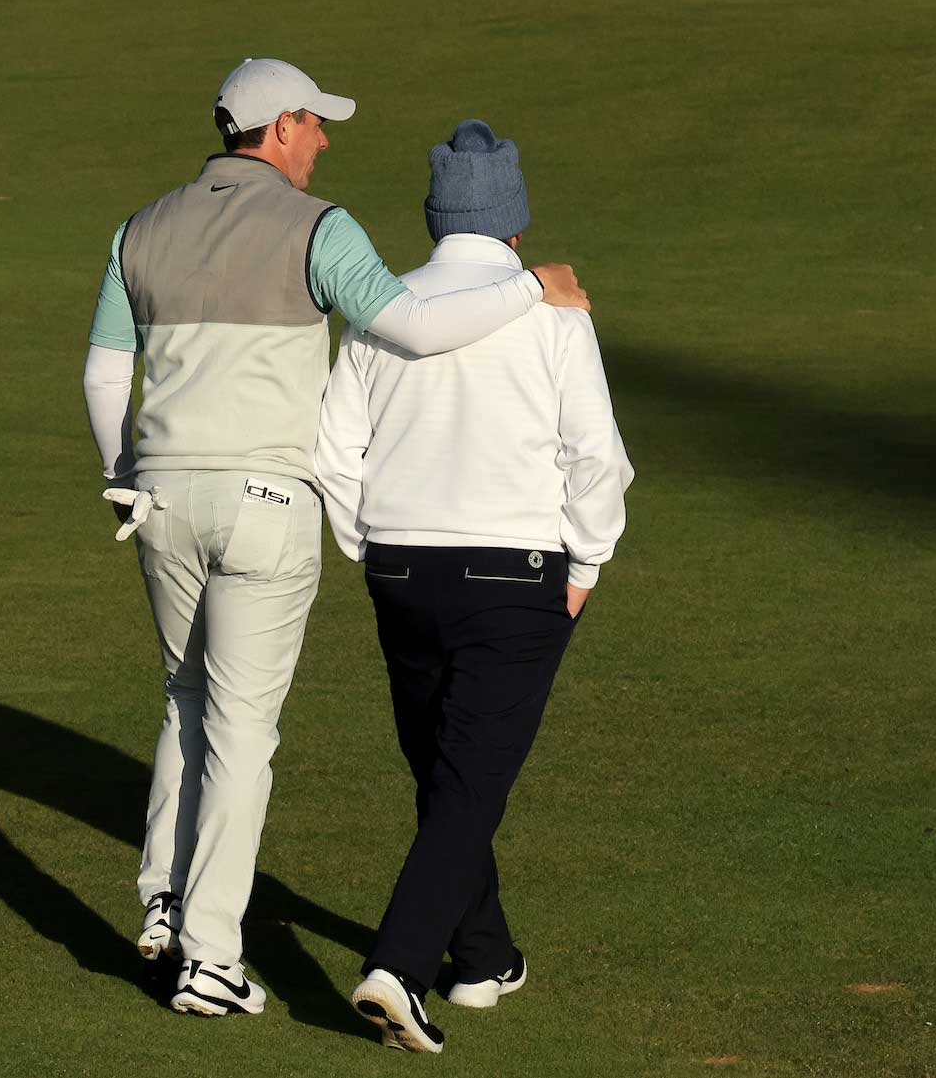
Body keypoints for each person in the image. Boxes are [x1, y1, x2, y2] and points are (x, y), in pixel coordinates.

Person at [81, 59, 589, 1019]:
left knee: (185, 697)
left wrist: (122, 472)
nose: (322, 139)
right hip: (266, 499)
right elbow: (413, 326)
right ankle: (211, 956)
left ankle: (165, 901)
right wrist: (532, 286)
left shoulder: (137, 228)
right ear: (278, 127)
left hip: (159, 497)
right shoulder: (320, 227)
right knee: (242, 727)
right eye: (314, 123)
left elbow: (107, 373)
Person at [317, 120, 632, 1054]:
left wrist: (368, 546)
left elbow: (333, 450)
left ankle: (483, 955)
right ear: (515, 226)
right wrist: (587, 565)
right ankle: (398, 965)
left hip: (401, 568)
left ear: (436, 218)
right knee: (465, 780)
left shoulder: (384, 305)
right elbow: (598, 458)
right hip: (513, 576)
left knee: (447, 771)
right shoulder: (555, 314)